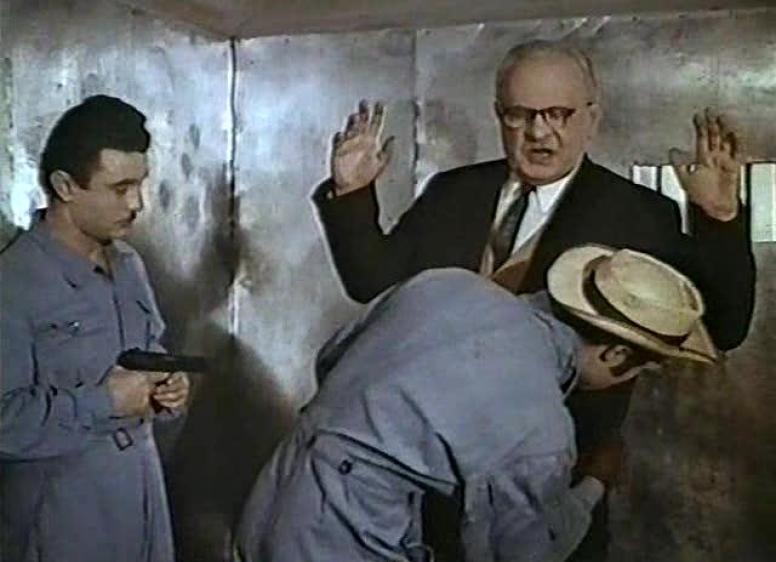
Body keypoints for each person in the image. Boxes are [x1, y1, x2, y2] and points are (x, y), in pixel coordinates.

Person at [312, 40, 756, 558]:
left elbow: (724, 328)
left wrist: (718, 220)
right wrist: (352, 193)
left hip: (553, 490)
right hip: (426, 488)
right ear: (499, 115)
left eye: (559, 114)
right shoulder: (452, 192)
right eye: (520, 115)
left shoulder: (638, 213)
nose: (540, 133)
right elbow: (375, 284)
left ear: (592, 118)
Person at [233, 245, 719, 562]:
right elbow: (522, 553)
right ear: (616, 354)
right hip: (340, 540)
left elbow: (332, 359)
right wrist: (594, 483)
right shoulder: (539, 421)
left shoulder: (444, 282)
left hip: (268, 499)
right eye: (636, 369)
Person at [0, 95, 190, 562]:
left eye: (140, 184)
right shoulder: (14, 283)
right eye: (120, 188)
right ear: (65, 186)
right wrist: (104, 402)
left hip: (142, 504)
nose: (137, 203)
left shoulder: (129, 265)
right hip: (60, 521)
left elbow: (149, 354)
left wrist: (168, 390)